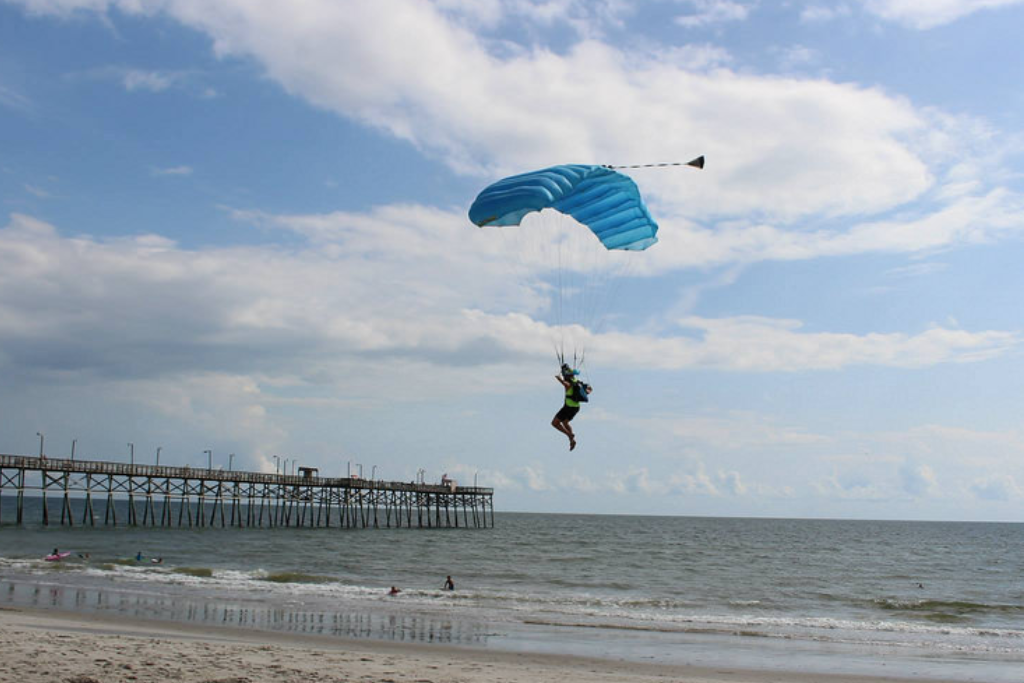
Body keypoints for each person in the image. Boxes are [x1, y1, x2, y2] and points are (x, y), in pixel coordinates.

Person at [551, 364, 591, 451]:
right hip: (576, 407)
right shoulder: (576, 381)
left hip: (568, 407)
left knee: (554, 423)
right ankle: (572, 440)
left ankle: (569, 435)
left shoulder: (569, 382)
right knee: (565, 422)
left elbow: (566, 385)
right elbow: (589, 390)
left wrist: (559, 379)